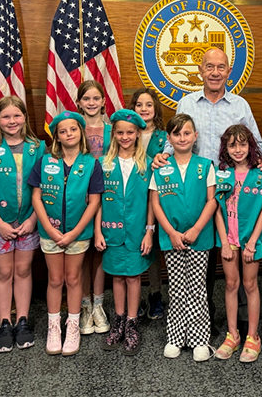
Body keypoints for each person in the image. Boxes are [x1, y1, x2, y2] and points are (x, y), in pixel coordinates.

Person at [153, 48, 262, 330]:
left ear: (229, 72)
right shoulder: (187, 103)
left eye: (221, 67)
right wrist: (162, 156)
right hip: (198, 189)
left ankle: (242, 319)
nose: (215, 72)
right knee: (202, 251)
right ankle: (201, 319)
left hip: (235, 190)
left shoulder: (240, 105)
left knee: (237, 249)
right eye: (209, 67)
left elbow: (256, 143)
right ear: (201, 70)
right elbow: (176, 139)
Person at [0, 96, 45, 353]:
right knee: (3, 273)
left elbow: (46, 188)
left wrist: (33, 219)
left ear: (24, 117)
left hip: (29, 220)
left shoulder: (39, 148)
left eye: (16, 116)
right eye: (6, 116)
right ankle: (4, 322)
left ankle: (22, 320)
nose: (12, 121)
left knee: (24, 271)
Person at [29, 111, 103, 356]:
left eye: (73, 129)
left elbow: (94, 203)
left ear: (81, 132)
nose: (68, 134)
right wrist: (49, 229)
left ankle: (72, 324)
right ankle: (54, 327)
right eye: (63, 131)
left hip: (77, 234)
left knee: (73, 279)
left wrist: (74, 233)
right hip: (50, 232)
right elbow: (36, 198)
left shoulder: (91, 163)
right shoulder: (44, 161)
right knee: (54, 279)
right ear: (57, 137)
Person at [150, 114, 218, 362]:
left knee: (198, 289)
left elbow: (212, 201)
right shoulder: (160, 167)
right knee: (178, 289)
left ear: (195, 136)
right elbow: (155, 203)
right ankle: (176, 336)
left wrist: (196, 230)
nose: (182, 138)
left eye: (187, 133)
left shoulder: (205, 165)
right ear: (169, 138)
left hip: (199, 238)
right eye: (176, 134)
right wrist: (171, 232)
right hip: (173, 239)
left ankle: (200, 338)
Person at [213, 125, 262, 363]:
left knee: (250, 285)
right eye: (232, 145)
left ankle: (252, 336)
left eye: (242, 144)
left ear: (250, 145)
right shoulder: (221, 172)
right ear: (225, 148)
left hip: (251, 241)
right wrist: (225, 243)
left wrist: (252, 243)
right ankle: (233, 334)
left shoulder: (260, 174)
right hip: (228, 240)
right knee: (230, 284)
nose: (237, 150)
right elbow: (217, 210)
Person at [96, 110, 155, 356]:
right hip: (110, 232)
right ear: (113, 134)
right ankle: (118, 319)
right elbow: (97, 200)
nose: (125, 136)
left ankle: (132, 322)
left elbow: (153, 201)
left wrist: (150, 231)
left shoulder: (149, 163)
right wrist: (97, 231)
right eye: (119, 132)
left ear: (138, 133)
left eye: (130, 132)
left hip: (137, 231)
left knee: (133, 277)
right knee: (116, 277)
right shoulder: (102, 163)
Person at [76, 80, 111, 336]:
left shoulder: (111, 130)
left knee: (99, 252)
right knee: (81, 254)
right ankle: (84, 305)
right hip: (79, 197)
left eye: (95, 98)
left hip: (107, 197)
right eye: (86, 98)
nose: (91, 103)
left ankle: (99, 303)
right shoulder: (74, 128)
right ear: (79, 102)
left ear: (103, 102)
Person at [130, 87, 167, 320]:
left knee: (153, 246)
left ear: (156, 109)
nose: (144, 109)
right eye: (139, 105)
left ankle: (155, 293)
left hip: (157, 198)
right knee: (134, 246)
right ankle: (133, 296)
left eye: (149, 105)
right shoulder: (126, 133)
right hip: (131, 199)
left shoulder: (164, 137)